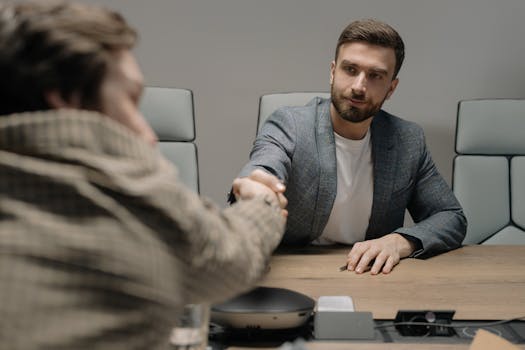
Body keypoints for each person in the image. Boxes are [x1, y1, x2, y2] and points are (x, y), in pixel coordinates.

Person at [0, 1, 286, 349]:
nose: (149, 136)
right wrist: (265, 200)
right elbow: (234, 253)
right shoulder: (136, 197)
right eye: (130, 100)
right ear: (64, 97)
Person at [234, 19, 466, 275]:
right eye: (350, 69)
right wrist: (255, 188)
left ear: (391, 87)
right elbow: (264, 166)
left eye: (375, 75)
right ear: (333, 71)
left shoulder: (407, 140)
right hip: (291, 275)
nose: (358, 86)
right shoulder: (290, 124)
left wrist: (399, 241)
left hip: (370, 277)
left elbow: (451, 216)